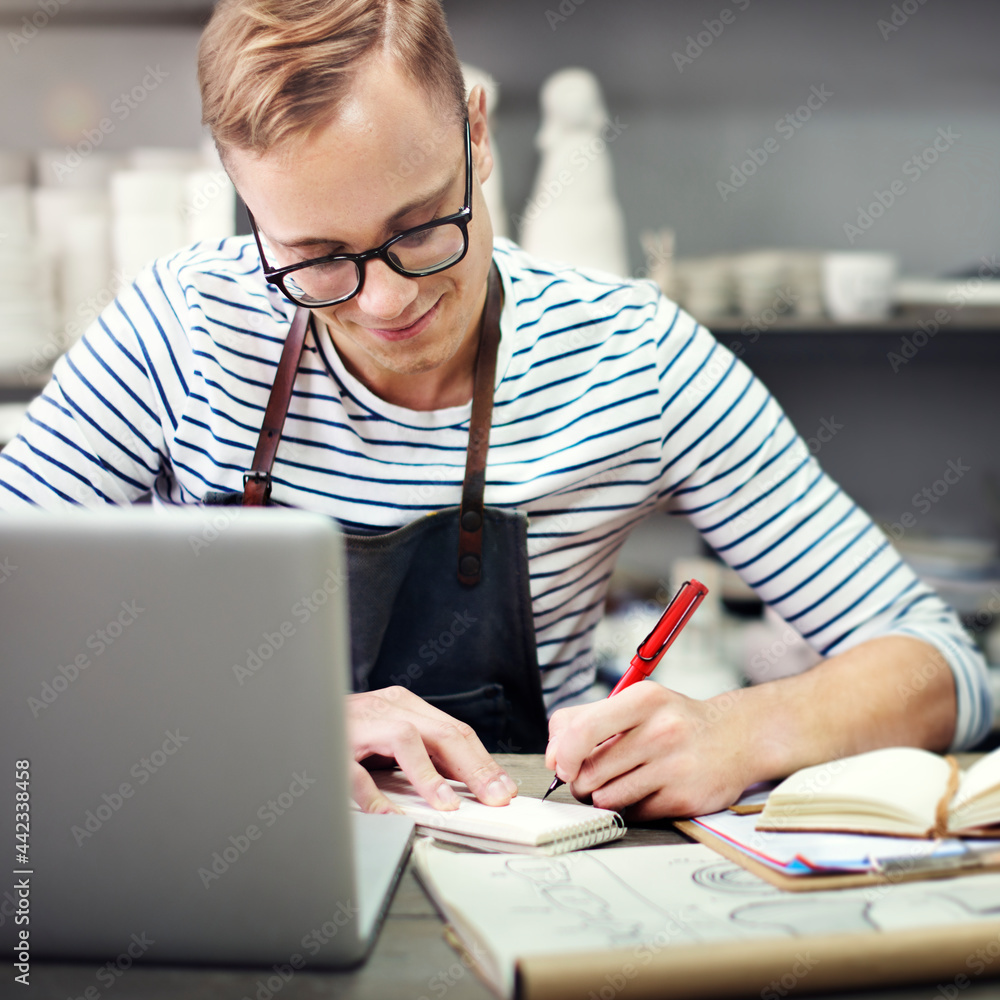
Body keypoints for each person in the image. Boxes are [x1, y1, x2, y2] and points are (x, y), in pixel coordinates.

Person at [0, 0, 991, 820]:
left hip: (531, 875)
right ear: (246, 206)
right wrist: (276, 727)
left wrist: (742, 729)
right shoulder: (182, 329)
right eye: (314, 258)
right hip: (221, 862)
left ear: (475, 132)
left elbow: (946, 664)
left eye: (419, 226)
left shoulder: (632, 356)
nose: (385, 300)